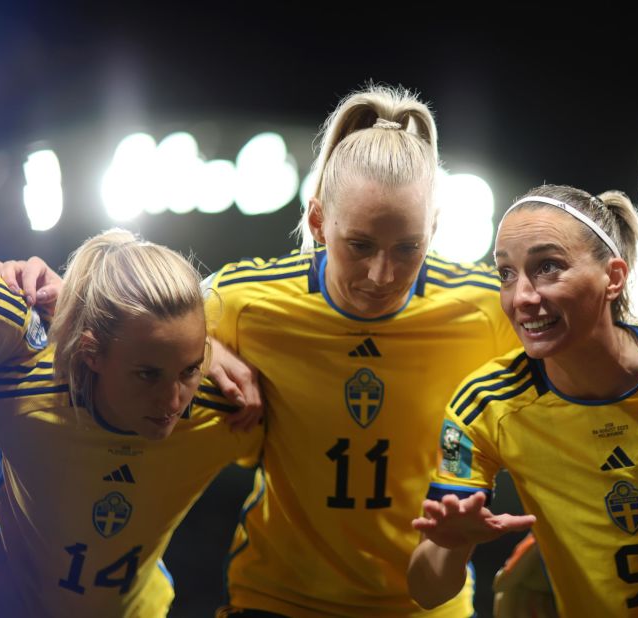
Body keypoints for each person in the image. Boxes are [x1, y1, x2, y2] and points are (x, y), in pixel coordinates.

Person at [206, 84, 520, 616]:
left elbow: (592, 355)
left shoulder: (484, 310)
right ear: (317, 222)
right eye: (360, 246)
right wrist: (201, 346)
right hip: (278, 595)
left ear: (434, 229)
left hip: (425, 603)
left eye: (408, 248)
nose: (383, 275)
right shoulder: (246, 303)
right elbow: (133, 316)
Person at [406, 185, 638, 617]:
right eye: (506, 272)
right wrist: (452, 543)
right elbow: (428, 591)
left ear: (613, 278)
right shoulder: (484, 406)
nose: (522, 296)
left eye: (547, 267)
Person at [0, 230, 263, 616]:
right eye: (147, 375)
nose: (173, 401)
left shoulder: (223, 410)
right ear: (91, 353)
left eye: (189, 370)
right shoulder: (21, 393)